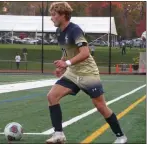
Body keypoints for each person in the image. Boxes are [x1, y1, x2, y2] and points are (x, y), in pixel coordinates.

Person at [46, 2, 127, 144]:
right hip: (72, 73)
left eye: (54, 15)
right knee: (52, 96)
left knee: (100, 106)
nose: (51, 18)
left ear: (63, 15)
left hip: (88, 73)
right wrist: (62, 65)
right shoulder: (59, 32)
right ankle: (59, 134)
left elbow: (85, 53)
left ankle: (121, 137)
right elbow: (66, 51)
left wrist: (67, 64)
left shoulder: (75, 30)